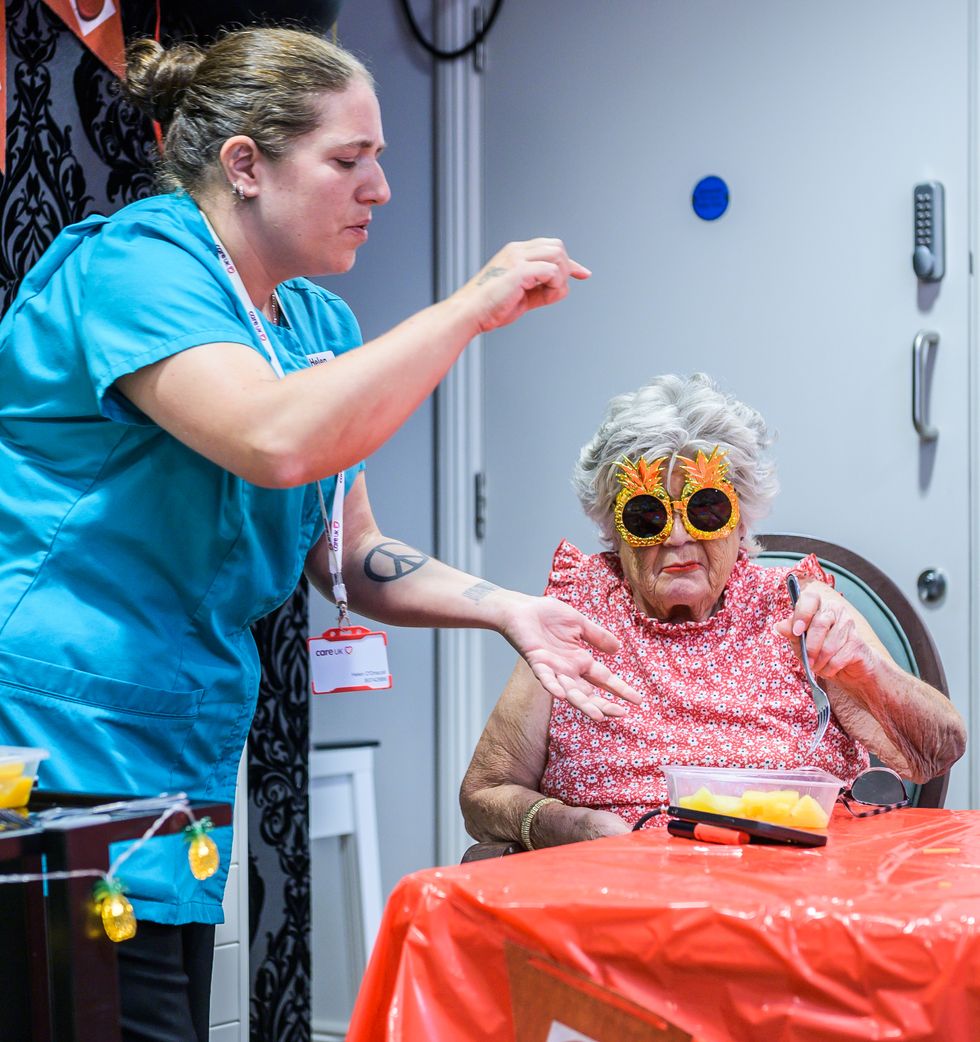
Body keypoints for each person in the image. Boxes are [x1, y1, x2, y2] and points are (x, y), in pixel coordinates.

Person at [0, 26, 640, 1042]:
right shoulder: (134, 264)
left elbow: (346, 552)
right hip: (49, 749)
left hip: (179, 755)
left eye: (378, 158)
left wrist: (510, 610)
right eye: (349, 160)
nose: (379, 188)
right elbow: (273, 437)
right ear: (244, 165)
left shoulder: (313, 328)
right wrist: (470, 307)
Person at [460, 373, 967, 852]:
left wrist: (865, 671)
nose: (679, 536)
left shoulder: (799, 607)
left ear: (740, 520)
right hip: (619, 893)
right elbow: (485, 792)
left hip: (792, 893)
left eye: (705, 509)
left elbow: (937, 750)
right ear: (614, 533)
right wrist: (561, 824)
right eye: (647, 514)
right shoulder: (575, 612)